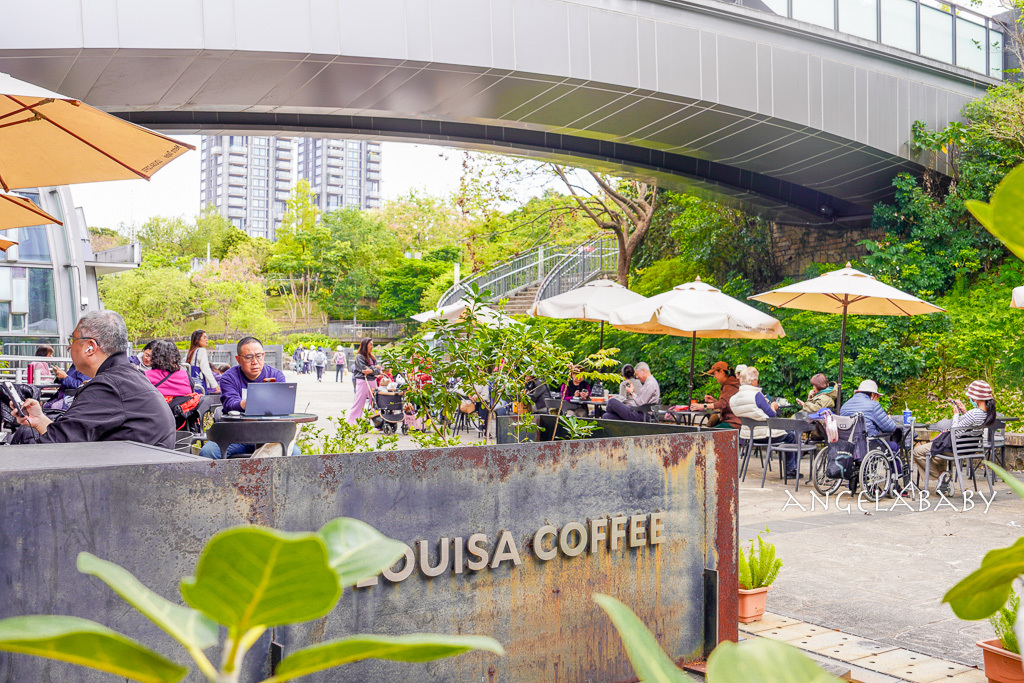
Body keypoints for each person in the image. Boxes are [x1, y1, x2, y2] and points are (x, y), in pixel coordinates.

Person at [11, 311, 175, 448]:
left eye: (73, 340)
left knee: (24, 436)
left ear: (90, 347)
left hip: (124, 481)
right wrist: (39, 420)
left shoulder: (108, 386)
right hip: (139, 474)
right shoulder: (127, 377)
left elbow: (56, 445)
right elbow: (69, 435)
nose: (69, 346)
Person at [199, 336, 295, 459]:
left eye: (258, 356)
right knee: (208, 452)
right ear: (238, 359)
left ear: (263, 355)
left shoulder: (276, 376)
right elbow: (230, 404)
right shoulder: (229, 377)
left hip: (269, 435)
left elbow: (282, 408)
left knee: (294, 453)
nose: (255, 361)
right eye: (249, 357)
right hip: (235, 434)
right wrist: (255, 400)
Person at [912, 381, 997, 490]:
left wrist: (956, 415)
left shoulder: (974, 413)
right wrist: (964, 412)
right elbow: (970, 424)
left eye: (971, 396)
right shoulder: (988, 413)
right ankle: (943, 475)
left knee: (918, 451)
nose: (970, 398)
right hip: (969, 448)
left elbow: (955, 432)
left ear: (978, 397)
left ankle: (942, 478)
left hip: (956, 448)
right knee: (937, 456)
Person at [729, 366, 798, 476]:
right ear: (753, 381)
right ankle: (790, 470)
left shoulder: (733, 398)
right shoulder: (756, 395)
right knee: (791, 435)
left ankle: (789, 468)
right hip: (765, 435)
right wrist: (773, 406)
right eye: (757, 379)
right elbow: (772, 415)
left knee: (787, 433)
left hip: (748, 435)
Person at [840, 379, 901, 453]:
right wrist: (888, 419)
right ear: (873, 394)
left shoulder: (844, 406)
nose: (876, 399)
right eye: (877, 397)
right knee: (894, 446)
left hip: (848, 446)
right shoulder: (873, 405)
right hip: (868, 445)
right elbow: (890, 428)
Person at [692, 361, 741, 428]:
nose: (714, 377)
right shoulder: (729, 384)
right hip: (732, 421)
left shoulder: (729, 386)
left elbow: (723, 404)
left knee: (708, 434)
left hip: (733, 423)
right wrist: (714, 401)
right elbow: (727, 403)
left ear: (721, 372)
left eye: (715, 373)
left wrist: (703, 406)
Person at [348, 338, 380, 424]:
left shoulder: (372, 357)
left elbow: (379, 370)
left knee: (376, 402)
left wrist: (372, 370)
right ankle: (351, 423)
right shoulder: (359, 357)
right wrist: (375, 369)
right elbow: (364, 369)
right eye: (370, 344)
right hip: (363, 381)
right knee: (359, 403)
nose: (372, 346)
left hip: (373, 381)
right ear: (365, 345)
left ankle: (379, 423)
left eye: (373, 344)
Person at [186, 330, 220, 394]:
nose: (207, 340)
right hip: (199, 384)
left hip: (190, 385)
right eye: (204, 338)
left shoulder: (190, 352)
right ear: (197, 340)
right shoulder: (202, 351)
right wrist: (215, 385)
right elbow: (206, 369)